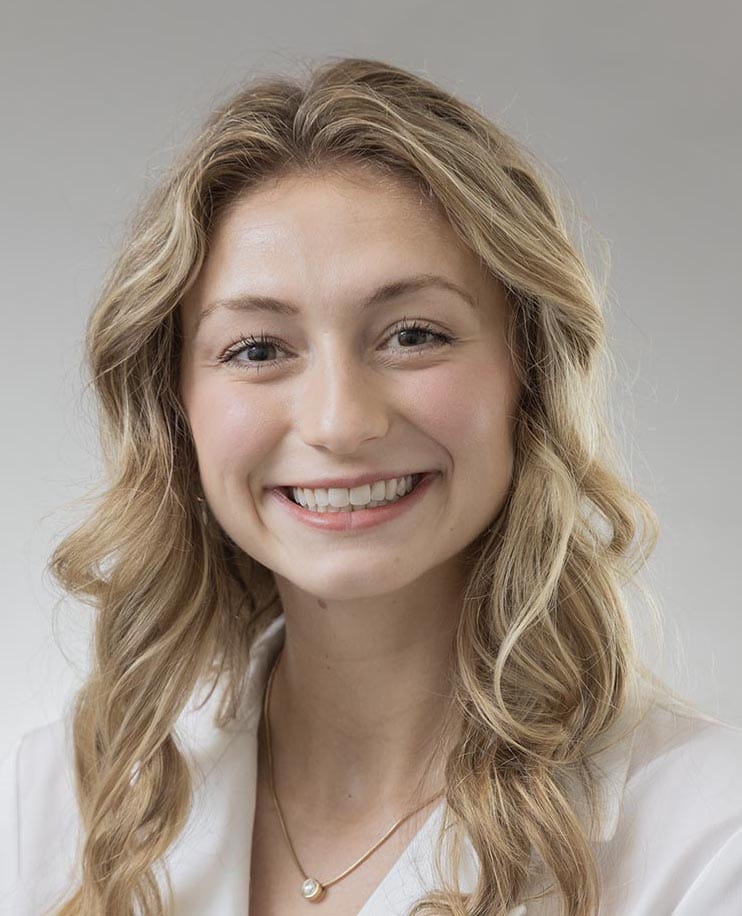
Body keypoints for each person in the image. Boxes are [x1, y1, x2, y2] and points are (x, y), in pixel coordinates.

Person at [1, 56, 741, 916]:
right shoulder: (51, 805)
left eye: (413, 335)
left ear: (530, 375)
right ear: (176, 409)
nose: (340, 422)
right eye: (257, 348)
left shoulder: (708, 840)